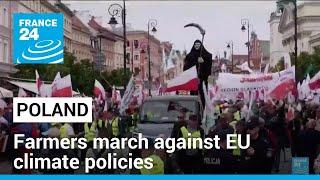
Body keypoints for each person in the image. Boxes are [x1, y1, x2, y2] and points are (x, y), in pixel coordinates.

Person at [183, 40, 212, 108]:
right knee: (194, 95)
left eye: (198, 45)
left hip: (202, 80)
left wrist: (203, 62)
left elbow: (208, 69)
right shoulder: (189, 56)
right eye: (196, 45)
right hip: (193, 79)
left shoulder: (206, 55)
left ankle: (203, 109)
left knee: (203, 94)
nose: (197, 46)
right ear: (194, 45)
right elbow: (186, 68)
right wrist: (196, 62)